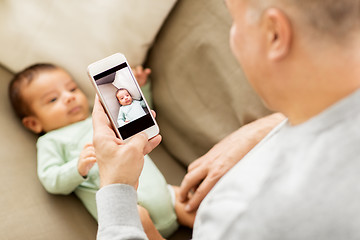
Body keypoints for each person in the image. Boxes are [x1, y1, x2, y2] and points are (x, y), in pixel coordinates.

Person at [92, 0, 360, 239]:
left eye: (235, 22)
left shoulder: (242, 212)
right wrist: (264, 129)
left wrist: (116, 187)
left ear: (275, 34)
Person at [8, 63, 194, 240]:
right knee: (139, 216)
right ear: (34, 123)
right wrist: (78, 167)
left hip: (165, 193)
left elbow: (135, 116)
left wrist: (140, 90)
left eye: (72, 89)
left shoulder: (101, 116)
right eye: (53, 99)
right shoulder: (51, 140)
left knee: (193, 200)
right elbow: (50, 178)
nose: (69, 97)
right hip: (130, 209)